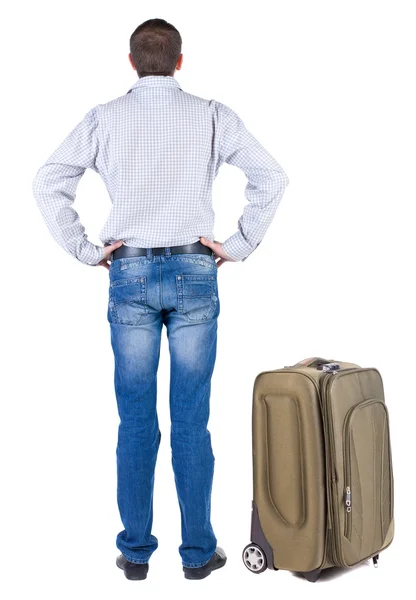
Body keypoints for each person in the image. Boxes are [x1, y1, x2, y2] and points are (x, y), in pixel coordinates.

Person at [32, 17, 289, 580]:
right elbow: (272, 177)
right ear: (179, 61)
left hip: (129, 275)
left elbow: (47, 180)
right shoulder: (213, 115)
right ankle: (198, 556)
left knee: (135, 421)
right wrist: (239, 245)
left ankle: (136, 553)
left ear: (131, 63)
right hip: (196, 270)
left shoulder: (104, 118)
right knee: (192, 422)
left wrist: (85, 250)